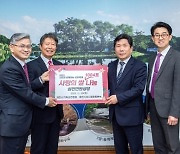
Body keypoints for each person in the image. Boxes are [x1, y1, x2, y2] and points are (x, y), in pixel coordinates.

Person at [0, 33, 57, 154]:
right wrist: (46, 101)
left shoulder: (20, 65)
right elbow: (25, 92)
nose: (26, 49)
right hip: (13, 124)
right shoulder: (9, 68)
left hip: (21, 123)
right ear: (11, 47)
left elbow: (24, 88)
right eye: (22, 46)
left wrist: (40, 79)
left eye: (29, 46)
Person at [106, 34, 147, 154]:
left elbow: (138, 89)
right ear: (115, 49)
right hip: (115, 116)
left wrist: (118, 98)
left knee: (136, 150)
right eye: (118, 46)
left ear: (131, 48)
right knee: (120, 150)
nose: (121, 49)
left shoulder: (140, 66)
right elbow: (104, 85)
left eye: (124, 45)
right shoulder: (111, 66)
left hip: (132, 115)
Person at [146, 22, 180, 153]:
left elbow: (178, 87)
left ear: (170, 37)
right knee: (158, 145)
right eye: (157, 35)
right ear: (152, 38)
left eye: (164, 35)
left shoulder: (177, 57)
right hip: (154, 107)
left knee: (172, 147)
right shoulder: (152, 57)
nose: (160, 38)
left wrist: (174, 113)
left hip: (169, 110)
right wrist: (148, 108)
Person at [27, 33, 64, 154]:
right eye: (47, 44)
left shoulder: (60, 65)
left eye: (53, 44)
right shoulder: (30, 66)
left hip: (56, 114)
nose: (50, 47)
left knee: (52, 148)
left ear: (56, 47)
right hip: (40, 114)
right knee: (38, 148)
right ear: (40, 46)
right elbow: (27, 89)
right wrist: (41, 80)